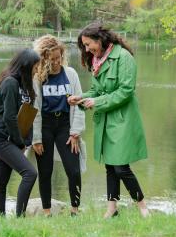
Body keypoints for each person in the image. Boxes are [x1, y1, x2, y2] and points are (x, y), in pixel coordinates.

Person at [68, 23, 150, 218]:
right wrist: (80, 98)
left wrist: (96, 101)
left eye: (89, 45)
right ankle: (112, 209)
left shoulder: (123, 57)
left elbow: (126, 91)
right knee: (110, 165)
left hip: (123, 119)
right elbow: (96, 91)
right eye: (85, 46)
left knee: (121, 166)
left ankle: (143, 207)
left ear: (100, 39)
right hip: (105, 119)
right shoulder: (98, 60)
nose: (87, 50)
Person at [31, 35, 86, 217]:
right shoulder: (38, 78)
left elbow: (79, 103)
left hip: (64, 125)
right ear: (43, 58)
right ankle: (47, 211)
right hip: (45, 125)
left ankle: (75, 210)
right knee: (45, 171)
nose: (56, 62)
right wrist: (36, 138)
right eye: (52, 59)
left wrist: (75, 132)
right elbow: (35, 109)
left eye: (59, 57)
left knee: (73, 169)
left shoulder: (70, 74)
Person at [0, 48, 41, 217]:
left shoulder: (25, 83)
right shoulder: (10, 83)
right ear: (26, 65)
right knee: (29, 174)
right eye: (35, 66)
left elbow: (27, 113)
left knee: (1, 180)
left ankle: (0, 218)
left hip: (14, 137)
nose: (36, 70)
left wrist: (27, 139)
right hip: (1, 138)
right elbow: (9, 117)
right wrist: (19, 142)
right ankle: (20, 217)